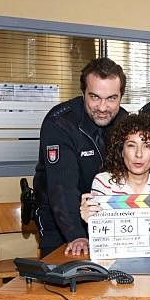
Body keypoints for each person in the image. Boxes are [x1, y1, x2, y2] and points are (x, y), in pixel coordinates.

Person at [33, 58, 128, 257]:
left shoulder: (124, 121)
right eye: (94, 97)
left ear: (121, 96)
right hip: (59, 220)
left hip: (104, 217)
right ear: (83, 93)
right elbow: (61, 187)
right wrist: (76, 235)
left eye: (111, 98)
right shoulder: (60, 123)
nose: (102, 107)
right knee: (63, 279)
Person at [79, 114, 150, 222]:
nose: (139, 154)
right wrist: (90, 220)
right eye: (131, 145)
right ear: (121, 151)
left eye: (147, 146)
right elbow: (101, 233)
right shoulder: (103, 182)